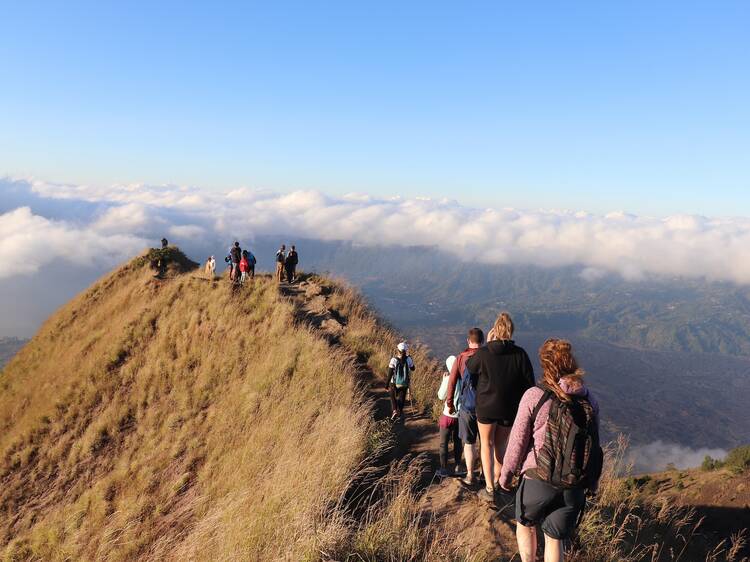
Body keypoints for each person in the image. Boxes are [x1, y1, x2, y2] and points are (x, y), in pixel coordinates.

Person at [500, 339, 602, 562]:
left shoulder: (535, 396)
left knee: (525, 524)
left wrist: (506, 476)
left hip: (538, 480)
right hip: (573, 486)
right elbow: (594, 445)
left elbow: (517, 442)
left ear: (546, 365)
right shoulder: (589, 400)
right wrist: (592, 482)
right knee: (555, 539)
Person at [466, 312, 534, 502]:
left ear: (494, 330)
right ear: (511, 331)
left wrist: (487, 344)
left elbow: (470, 366)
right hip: (509, 409)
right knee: (500, 446)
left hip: (486, 407)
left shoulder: (484, 353)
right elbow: (529, 384)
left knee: (485, 445)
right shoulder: (520, 354)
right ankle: (498, 482)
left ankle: (489, 489)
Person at [446, 327, 484, 486]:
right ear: (482, 341)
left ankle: (470, 475)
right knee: (487, 442)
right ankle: (484, 473)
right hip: (485, 406)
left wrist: (450, 403)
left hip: (467, 406)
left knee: (469, 442)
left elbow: (452, 382)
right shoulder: (487, 357)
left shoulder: (461, 358)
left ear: (469, 340)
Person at [437, 355, 462, 477]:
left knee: (444, 443)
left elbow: (441, 396)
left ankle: (444, 469)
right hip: (460, 416)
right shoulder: (463, 378)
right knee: (458, 442)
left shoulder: (448, 379)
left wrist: (443, 380)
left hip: (447, 415)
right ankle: (458, 466)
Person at [386, 342, 415, 421]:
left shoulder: (393, 360)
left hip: (394, 383)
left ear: (398, 350)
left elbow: (390, 373)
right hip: (404, 383)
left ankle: (394, 410)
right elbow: (413, 369)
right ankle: (400, 413)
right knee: (401, 398)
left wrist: (386, 385)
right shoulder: (408, 359)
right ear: (406, 351)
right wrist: (410, 358)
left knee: (392, 396)